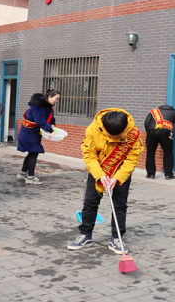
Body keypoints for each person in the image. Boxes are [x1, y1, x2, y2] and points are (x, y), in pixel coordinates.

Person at [68, 109, 143, 254]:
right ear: (104, 128)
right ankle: (85, 235)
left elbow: (133, 158)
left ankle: (116, 238)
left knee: (120, 205)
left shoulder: (133, 133)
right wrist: (100, 175)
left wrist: (117, 177)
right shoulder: (93, 129)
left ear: (124, 129)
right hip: (98, 169)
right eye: (110, 136)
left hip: (121, 171)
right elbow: (89, 155)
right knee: (90, 202)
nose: (114, 138)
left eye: (118, 136)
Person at [16, 89, 60, 184]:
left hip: (32, 134)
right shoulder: (38, 107)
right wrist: (50, 130)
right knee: (34, 153)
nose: (56, 101)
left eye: (57, 99)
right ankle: (31, 177)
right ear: (49, 97)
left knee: (31, 153)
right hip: (28, 134)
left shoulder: (47, 107)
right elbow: (40, 120)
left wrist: (52, 124)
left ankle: (23, 173)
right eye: (56, 99)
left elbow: (51, 118)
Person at [144, 105, 175, 180]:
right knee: (168, 153)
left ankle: (150, 174)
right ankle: (168, 175)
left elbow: (146, 123)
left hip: (151, 132)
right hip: (166, 133)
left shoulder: (154, 111)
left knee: (150, 153)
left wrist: (149, 132)